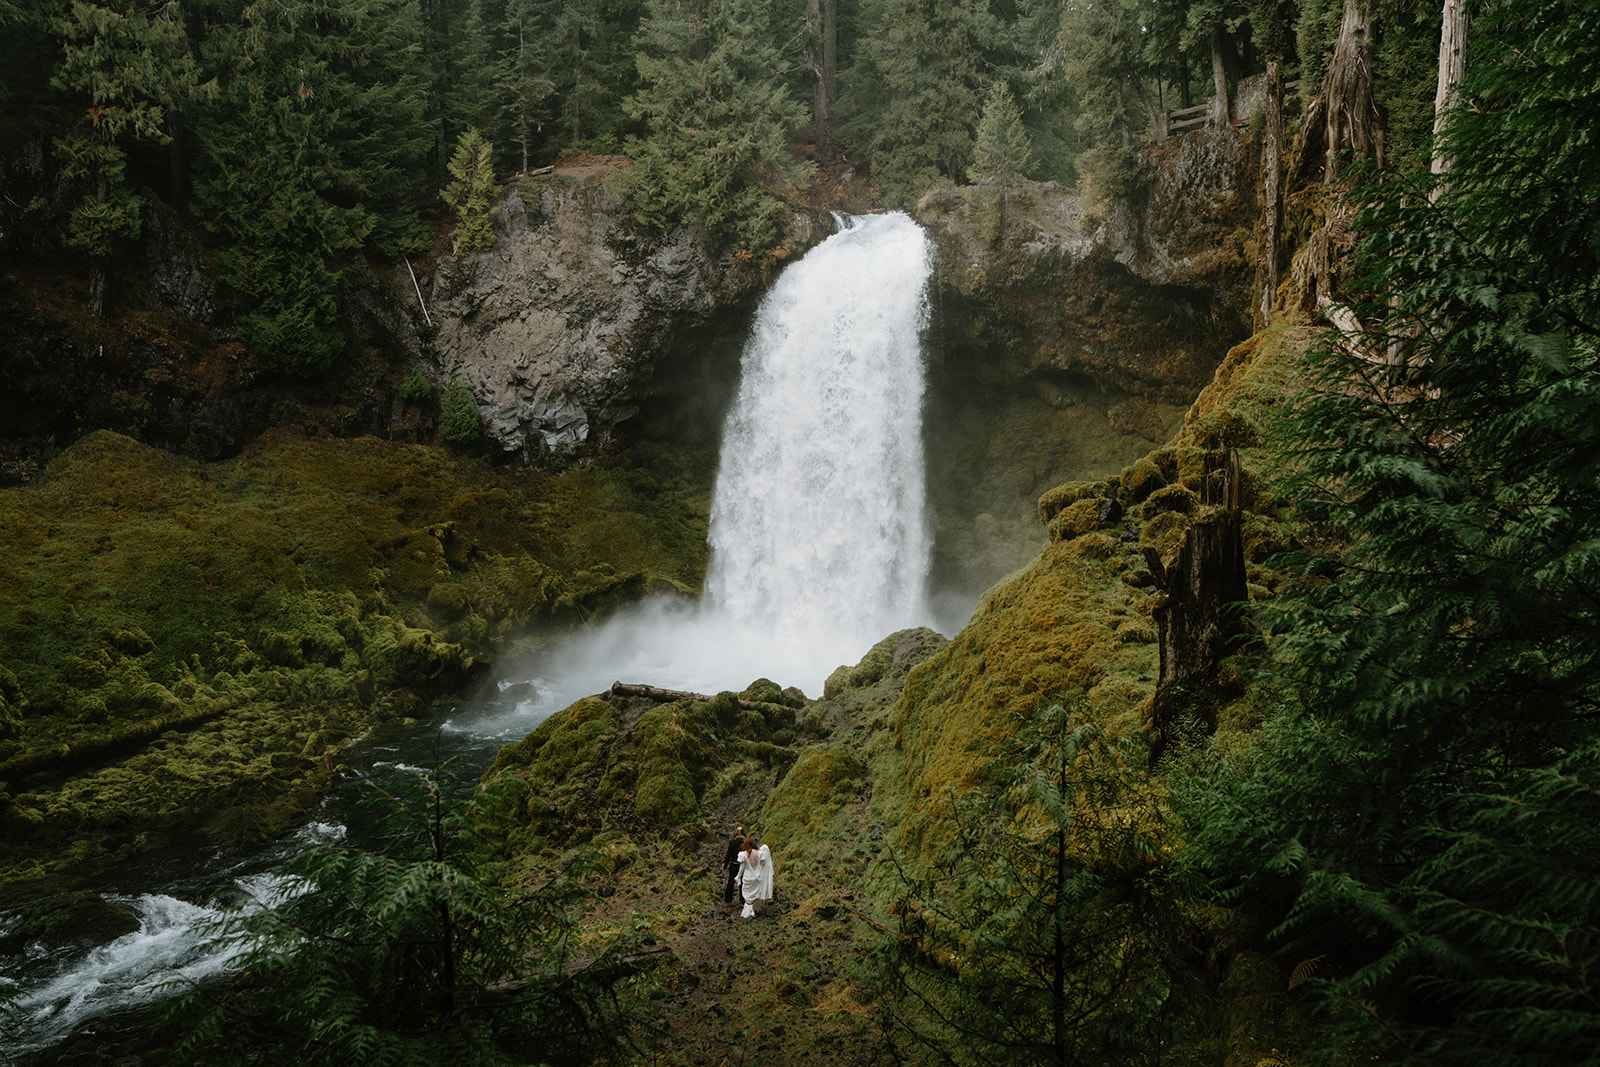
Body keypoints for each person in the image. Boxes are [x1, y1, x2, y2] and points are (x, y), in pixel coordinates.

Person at [739, 835, 774, 919]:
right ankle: (756, 909)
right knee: (756, 893)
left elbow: (741, 868)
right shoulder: (760, 853)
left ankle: (748, 911)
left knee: (748, 895)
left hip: (748, 876)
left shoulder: (743, 854)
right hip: (758, 876)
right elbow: (763, 863)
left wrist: (738, 877)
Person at [721, 826, 745, 906]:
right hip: (743, 865)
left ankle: (728, 899)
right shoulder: (745, 842)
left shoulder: (732, 842)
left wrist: (725, 865)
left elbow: (729, 855)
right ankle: (742, 898)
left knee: (731, 881)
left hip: (734, 864)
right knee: (742, 882)